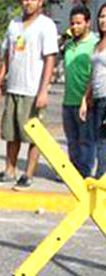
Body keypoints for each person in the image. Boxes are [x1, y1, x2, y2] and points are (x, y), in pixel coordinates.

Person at [0, 0, 58, 189]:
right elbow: (6, 56)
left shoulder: (47, 25)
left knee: (33, 136)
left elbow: (50, 59)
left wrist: (43, 90)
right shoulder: (14, 24)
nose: (27, 3)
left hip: (33, 90)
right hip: (14, 87)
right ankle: (9, 170)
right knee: (11, 134)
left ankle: (28, 174)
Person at [61, 6, 97, 177]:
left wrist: (87, 98)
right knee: (72, 140)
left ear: (88, 23)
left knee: (86, 141)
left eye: (79, 23)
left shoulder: (95, 44)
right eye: (72, 23)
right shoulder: (68, 45)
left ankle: (84, 173)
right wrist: (63, 37)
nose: (75, 27)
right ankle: (73, 172)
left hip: (86, 101)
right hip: (68, 100)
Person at [80, 4, 106, 176]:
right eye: (102, 16)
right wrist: (85, 98)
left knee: (104, 141)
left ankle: (101, 177)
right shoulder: (98, 44)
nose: (103, 20)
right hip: (96, 97)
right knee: (97, 140)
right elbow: (92, 74)